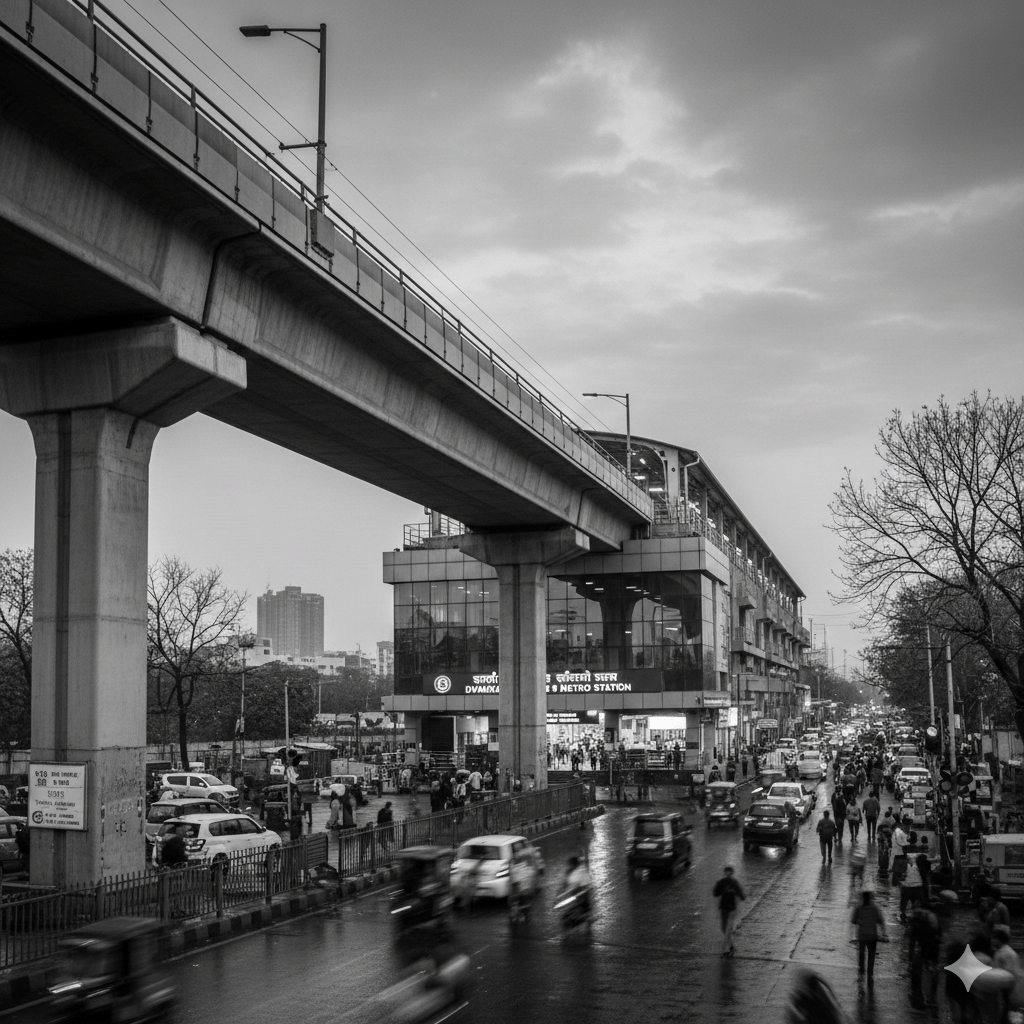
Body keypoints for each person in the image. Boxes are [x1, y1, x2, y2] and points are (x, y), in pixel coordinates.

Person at [908, 898, 941, 1009]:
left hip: (923, 947)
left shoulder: (917, 919)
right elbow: (939, 935)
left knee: (916, 969)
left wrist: (910, 957)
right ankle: (932, 998)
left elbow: (912, 941)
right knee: (934, 970)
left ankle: (916, 994)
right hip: (934, 947)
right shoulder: (934, 917)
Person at [850, 889, 888, 986]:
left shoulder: (858, 908)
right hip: (872, 936)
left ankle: (861, 971)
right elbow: (881, 921)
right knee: (871, 955)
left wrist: (860, 922)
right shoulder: (875, 908)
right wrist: (884, 933)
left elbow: (853, 920)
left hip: (862, 935)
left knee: (861, 954)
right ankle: (870, 973)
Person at [712, 865, 746, 957]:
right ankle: (731, 946)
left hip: (731, 910)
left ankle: (725, 949)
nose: (727, 874)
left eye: (729, 872)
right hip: (724, 908)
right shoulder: (722, 883)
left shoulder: (733, 883)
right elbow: (716, 893)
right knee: (724, 929)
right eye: (726, 872)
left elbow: (742, 896)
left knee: (727, 930)